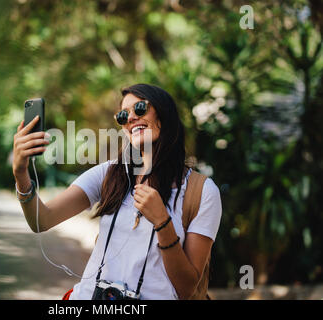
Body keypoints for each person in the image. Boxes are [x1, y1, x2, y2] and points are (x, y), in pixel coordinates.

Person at [12, 83, 222, 300]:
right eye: (123, 115)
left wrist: (163, 222)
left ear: (164, 114)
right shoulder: (109, 174)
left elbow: (187, 289)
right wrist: (20, 174)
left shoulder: (203, 192)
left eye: (140, 108)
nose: (130, 118)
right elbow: (42, 220)